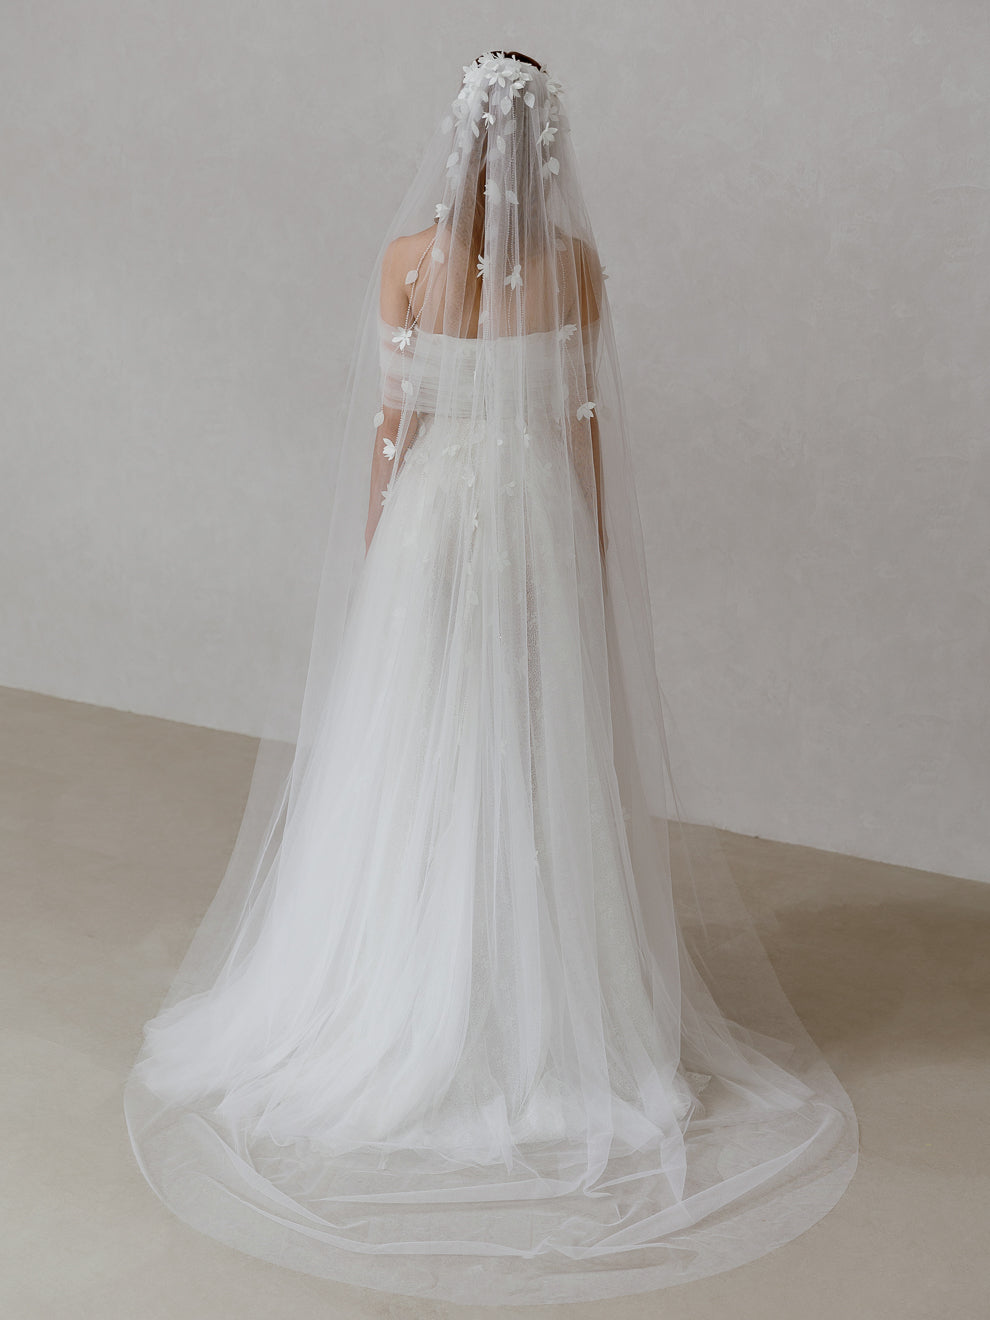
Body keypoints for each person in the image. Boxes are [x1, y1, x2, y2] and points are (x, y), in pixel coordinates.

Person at [123, 50, 858, 1306]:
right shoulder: (578, 272)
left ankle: (407, 977)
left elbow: (391, 426)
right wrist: (597, 571)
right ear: (546, 154)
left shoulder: (408, 259)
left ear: (458, 145)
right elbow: (586, 444)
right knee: (527, 749)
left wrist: (380, 550)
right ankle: (530, 992)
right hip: (530, 529)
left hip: (431, 526)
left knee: (420, 746)